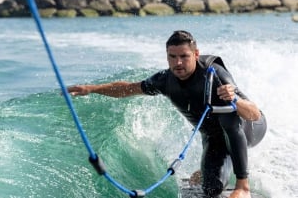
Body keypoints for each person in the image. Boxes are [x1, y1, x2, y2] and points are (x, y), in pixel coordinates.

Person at [67, 30, 267, 198]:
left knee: (227, 115)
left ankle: (243, 185)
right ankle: (208, 173)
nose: (178, 63)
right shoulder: (165, 80)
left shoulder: (214, 75)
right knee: (210, 190)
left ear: (196, 54)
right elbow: (128, 89)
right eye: (172, 57)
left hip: (247, 128)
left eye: (184, 56)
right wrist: (91, 88)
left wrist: (235, 99)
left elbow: (254, 114)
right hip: (215, 139)